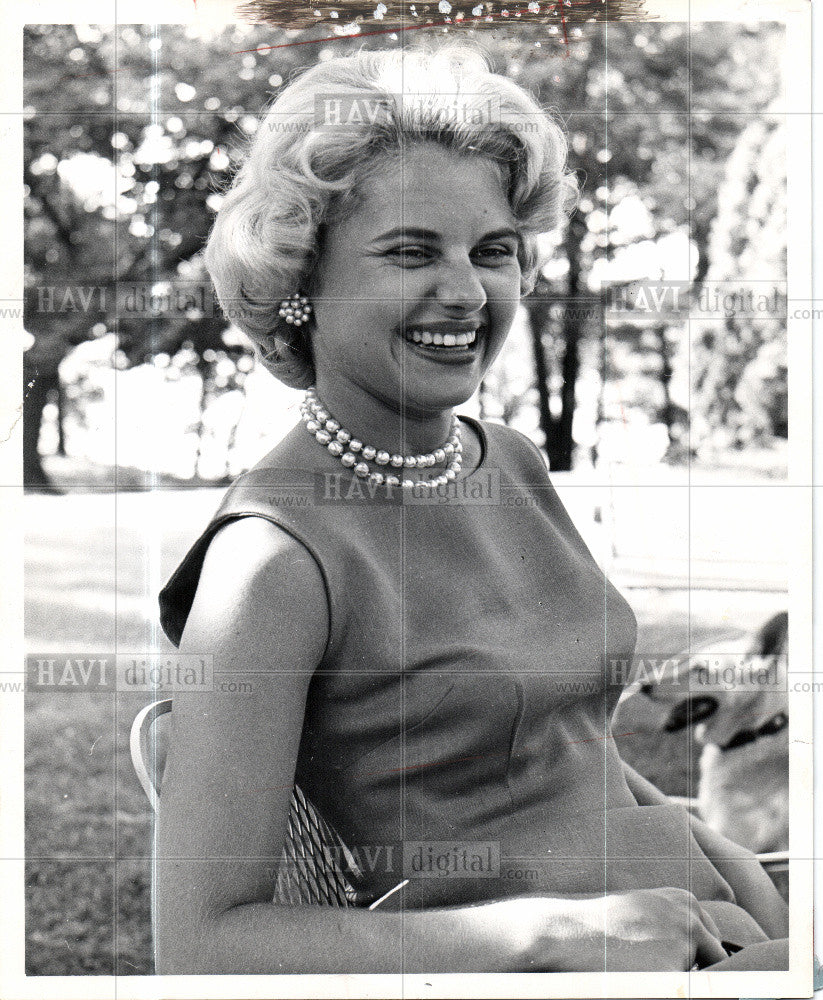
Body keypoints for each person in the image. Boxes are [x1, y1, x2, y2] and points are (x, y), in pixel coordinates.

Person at [154, 42, 789, 974]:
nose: (465, 291)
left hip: (694, 922)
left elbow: (564, 751)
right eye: (410, 252)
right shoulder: (270, 561)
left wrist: (736, 876)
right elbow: (201, 948)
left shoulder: (512, 463)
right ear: (300, 286)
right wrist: (552, 937)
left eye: (492, 251)